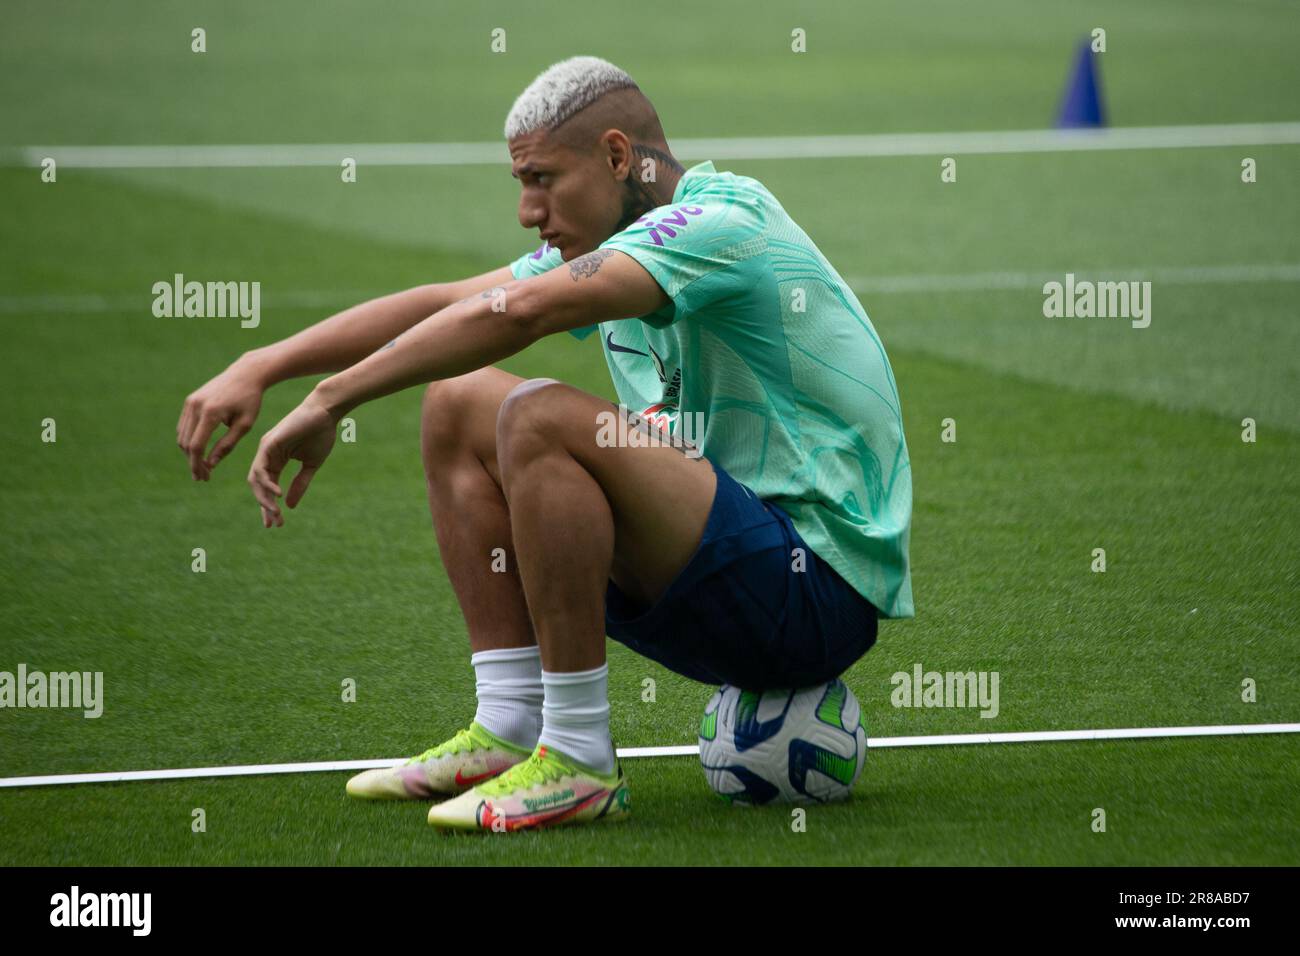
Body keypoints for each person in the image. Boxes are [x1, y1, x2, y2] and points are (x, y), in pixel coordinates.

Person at [176, 55, 913, 832]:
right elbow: (450, 304)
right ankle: (509, 729)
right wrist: (267, 364)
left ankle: (580, 758)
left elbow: (519, 312)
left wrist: (334, 399)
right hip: (721, 571)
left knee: (537, 415)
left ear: (619, 157)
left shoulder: (726, 220)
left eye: (542, 180)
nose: (529, 211)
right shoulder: (618, 244)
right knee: (458, 400)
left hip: (814, 592)